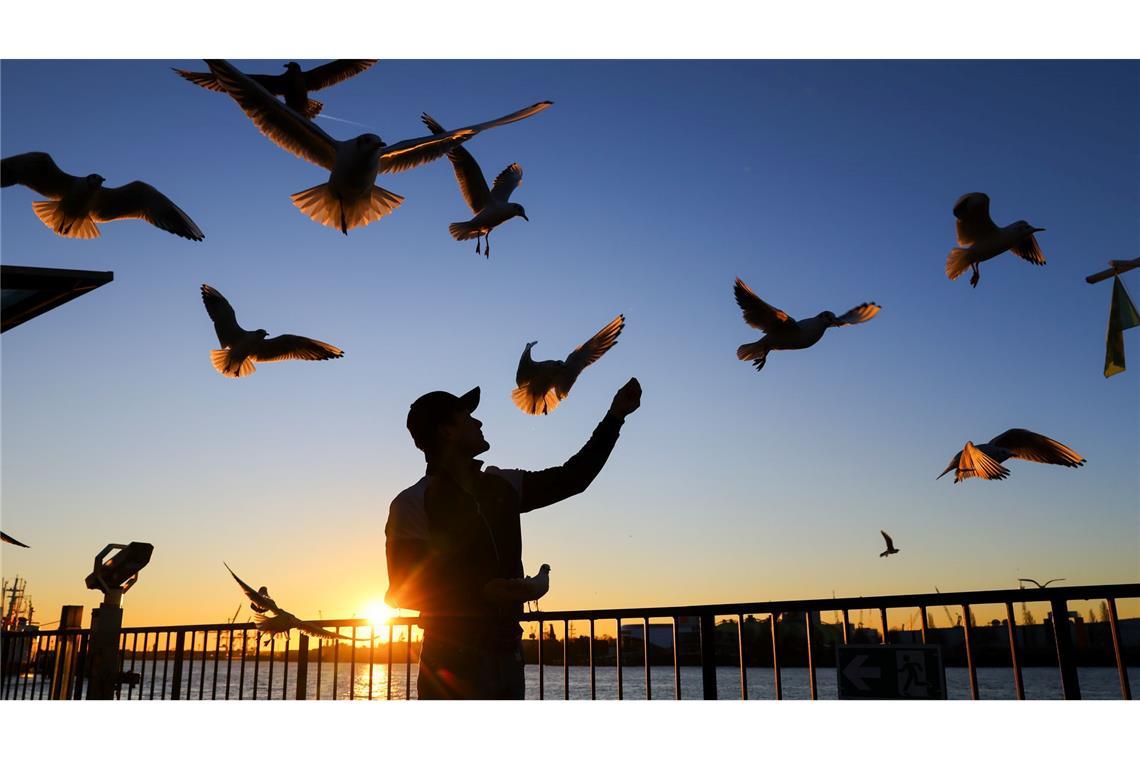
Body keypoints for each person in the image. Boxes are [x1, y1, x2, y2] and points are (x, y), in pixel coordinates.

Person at [385, 377, 641, 699]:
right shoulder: (411, 503)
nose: (478, 422)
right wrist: (482, 592)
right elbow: (402, 590)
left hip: (508, 655)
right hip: (450, 662)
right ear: (446, 431)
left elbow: (573, 478)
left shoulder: (501, 484)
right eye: (467, 417)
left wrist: (615, 416)